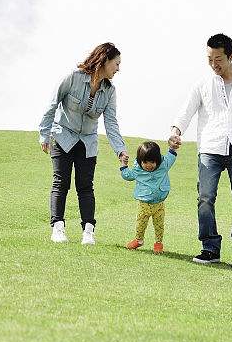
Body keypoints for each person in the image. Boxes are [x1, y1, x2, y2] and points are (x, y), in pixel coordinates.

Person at [168, 33, 232, 271]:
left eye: (219, 59)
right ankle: (210, 248)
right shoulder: (202, 84)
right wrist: (175, 131)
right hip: (210, 148)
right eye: (210, 59)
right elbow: (186, 111)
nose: (214, 64)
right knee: (205, 199)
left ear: (231, 56)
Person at [38, 42, 128, 245]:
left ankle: (88, 232)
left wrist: (120, 149)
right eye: (116, 63)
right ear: (105, 60)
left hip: (88, 141)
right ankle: (57, 228)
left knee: (86, 187)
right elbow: (53, 104)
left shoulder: (110, 91)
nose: (118, 69)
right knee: (61, 182)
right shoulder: (73, 77)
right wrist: (44, 134)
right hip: (62, 136)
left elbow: (111, 122)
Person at [120, 140, 180, 253]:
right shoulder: (138, 170)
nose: (148, 165)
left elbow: (171, 157)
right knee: (141, 223)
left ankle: (158, 243)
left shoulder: (164, 165)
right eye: (145, 162)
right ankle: (138, 240)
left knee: (159, 224)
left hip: (159, 204)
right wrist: (124, 165)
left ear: (157, 160)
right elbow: (127, 176)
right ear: (140, 161)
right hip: (144, 204)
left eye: (152, 162)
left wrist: (172, 147)